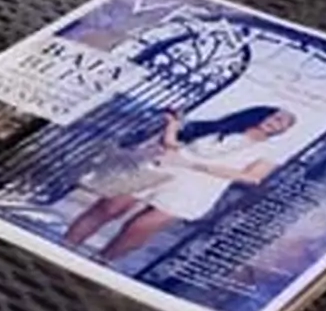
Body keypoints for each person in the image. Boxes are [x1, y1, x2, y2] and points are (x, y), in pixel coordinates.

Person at [58, 102, 300, 271]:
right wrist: (172, 125)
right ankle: (64, 249)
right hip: (163, 167)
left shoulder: (271, 151)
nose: (278, 124)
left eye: (285, 124)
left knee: (140, 226)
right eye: (277, 117)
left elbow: (251, 178)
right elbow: (174, 146)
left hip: (197, 187)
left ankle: (99, 264)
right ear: (261, 114)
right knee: (109, 208)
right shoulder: (221, 127)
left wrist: (194, 165)